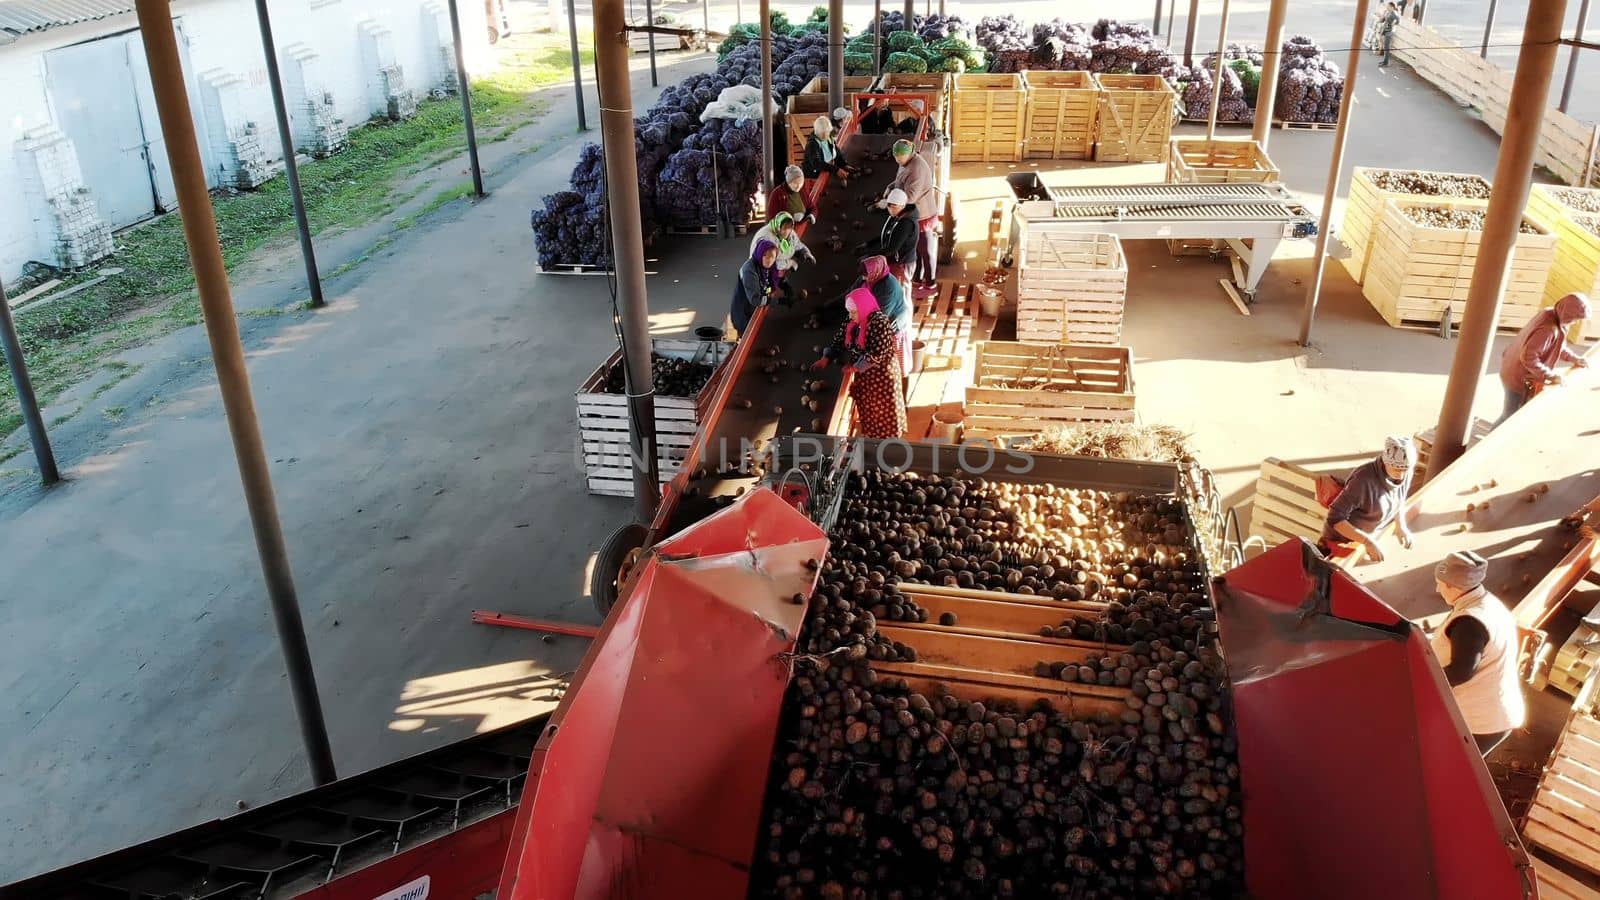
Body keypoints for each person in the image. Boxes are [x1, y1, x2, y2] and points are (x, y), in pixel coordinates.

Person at [1431, 551, 1526, 756]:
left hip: (1481, 722)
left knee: (1449, 767)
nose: (1437, 589)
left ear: (1455, 587)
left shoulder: (1470, 622)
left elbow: (1461, 672)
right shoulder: (1486, 602)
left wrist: (1421, 680)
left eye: (1441, 583)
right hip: (1495, 712)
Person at [810, 288, 907, 439]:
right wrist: (826, 358)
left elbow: (878, 353)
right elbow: (839, 340)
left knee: (885, 412)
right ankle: (874, 439)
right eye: (849, 312)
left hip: (882, 376)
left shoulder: (879, 323)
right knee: (870, 410)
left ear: (863, 307)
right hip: (865, 376)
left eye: (853, 312)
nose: (850, 316)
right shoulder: (852, 321)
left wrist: (856, 366)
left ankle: (889, 445)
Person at [1318, 436, 1417, 562]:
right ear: (1385, 462)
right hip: (1342, 541)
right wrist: (1367, 542)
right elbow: (1335, 518)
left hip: (1368, 535)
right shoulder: (1363, 480)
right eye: (1397, 469)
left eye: (1405, 469)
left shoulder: (1406, 471)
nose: (1401, 475)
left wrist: (1401, 525)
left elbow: (1399, 497)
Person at [1497, 292, 1591, 425]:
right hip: (1517, 377)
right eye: (1574, 318)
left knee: (1511, 414)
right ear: (1567, 314)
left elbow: (1556, 346)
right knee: (1508, 418)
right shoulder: (1548, 330)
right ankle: (1486, 445)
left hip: (1511, 366)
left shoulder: (1550, 313)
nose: (1575, 322)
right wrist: (1550, 375)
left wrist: (1574, 358)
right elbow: (1529, 358)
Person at [883, 139, 939, 291]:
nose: (897, 160)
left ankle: (930, 282)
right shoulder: (905, 163)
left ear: (909, 154)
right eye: (895, 157)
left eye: (899, 158)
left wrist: (890, 202)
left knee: (925, 250)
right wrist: (890, 187)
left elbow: (910, 197)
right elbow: (899, 181)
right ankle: (917, 279)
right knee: (916, 249)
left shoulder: (917, 169)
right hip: (913, 212)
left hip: (923, 214)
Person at [855, 255, 913, 375]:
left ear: (874, 271)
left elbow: (878, 318)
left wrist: (858, 366)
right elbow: (852, 291)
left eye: (865, 275)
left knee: (894, 369)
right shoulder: (869, 278)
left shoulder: (888, 288)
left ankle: (902, 384)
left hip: (893, 327)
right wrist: (829, 305)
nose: (864, 278)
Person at [856, 188, 919, 288]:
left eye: (893, 206)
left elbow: (892, 249)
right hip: (896, 261)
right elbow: (888, 235)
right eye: (888, 205)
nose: (889, 208)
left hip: (902, 263)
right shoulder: (897, 215)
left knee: (901, 293)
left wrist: (869, 255)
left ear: (902, 206)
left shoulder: (906, 223)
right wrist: (868, 244)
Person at [729, 240, 782, 337]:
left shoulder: (766, 266)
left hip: (753, 309)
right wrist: (772, 300)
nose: (769, 259)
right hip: (744, 315)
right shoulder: (749, 271)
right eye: (765, 255)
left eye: (772, 256)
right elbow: (755, 300)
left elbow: (770, 280)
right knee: (748, 336)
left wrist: (782, 282)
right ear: (760, 253)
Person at [748, 212, 816, 280]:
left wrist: (806, 253)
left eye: (789, 227)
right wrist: (790, 263)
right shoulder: (766, 238)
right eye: (784, 228)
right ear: (778, 225)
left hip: (777, 269)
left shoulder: (790, 233)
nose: (787, 231)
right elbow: (769, 263)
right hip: (760, 273)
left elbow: (797, 244)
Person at [803, 115, 854, 180]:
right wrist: (836, 170)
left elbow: (836, 153)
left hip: (827, 172)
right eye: (822, 133)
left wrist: (844, 164)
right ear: (816, 132)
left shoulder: (829, 138)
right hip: (814, 177)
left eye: (826, 133)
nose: (824, 136)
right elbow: (817, 164)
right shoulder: (812, 144)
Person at [1377, 1, 1401, 67]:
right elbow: (1383, 19)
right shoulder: (1388, 12)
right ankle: (1385, 61)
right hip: (1385, 30)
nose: (1387, 7)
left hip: (1389, 32)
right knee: (1385, 47)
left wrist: (1394, 23)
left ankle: (1386, 62)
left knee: (1387, 48)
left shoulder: (1394, 14)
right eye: (1387, 6)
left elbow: (1398, 20)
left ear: (1392, 7)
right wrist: (1381, 19)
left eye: (1388, 6)